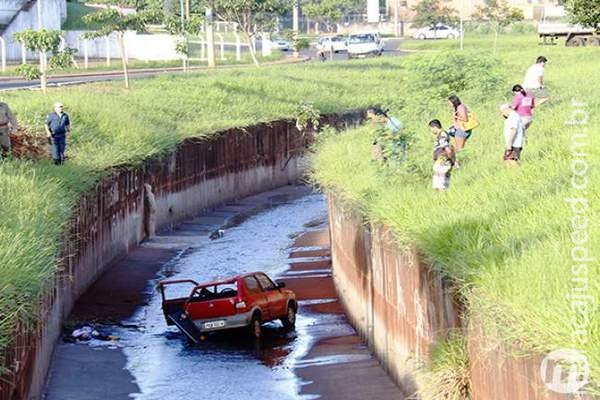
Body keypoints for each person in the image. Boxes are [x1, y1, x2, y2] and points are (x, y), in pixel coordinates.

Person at [428, 119, 455, 191]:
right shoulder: (441, 135)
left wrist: (452, 160)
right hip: (441, 161)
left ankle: (443, 200)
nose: (431, 131)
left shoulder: (442, 135)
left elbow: (447, 149)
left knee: (441, 185)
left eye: (431, 129)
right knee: (438, 185)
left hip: (443, 161)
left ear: (434, 127)